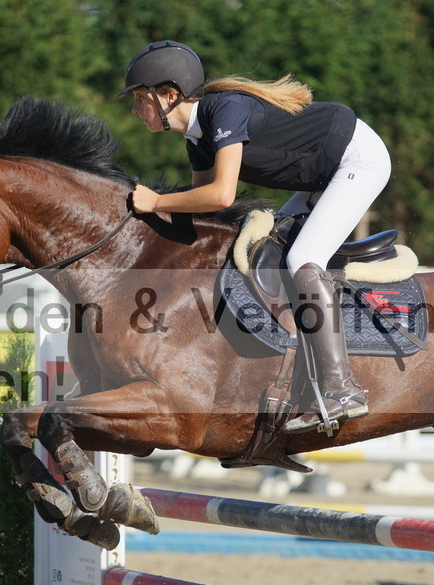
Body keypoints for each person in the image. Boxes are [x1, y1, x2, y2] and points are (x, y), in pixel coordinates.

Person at [120, 40, 392, 435]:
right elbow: (203, 209)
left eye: (139, 98)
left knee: (302, 259)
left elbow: (222, 195)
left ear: (169, 95)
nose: (134, 109)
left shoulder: (224, 110)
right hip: (325, 172)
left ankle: (343, 390)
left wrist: (156, 201)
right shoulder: (196, 139)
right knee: (272, 251)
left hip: (357, 159)